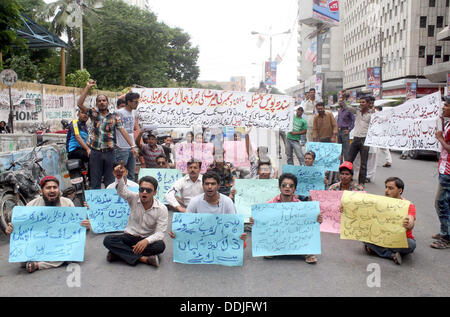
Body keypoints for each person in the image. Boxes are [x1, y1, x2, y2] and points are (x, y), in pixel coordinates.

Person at [5, 176, 77, 273]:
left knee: (75, 251)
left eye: (55, 187)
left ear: (58, 190)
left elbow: (75, 227)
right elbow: (21, 231)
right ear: (41, 191)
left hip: (59, 241)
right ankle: (53, 259)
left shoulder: (67, 203)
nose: (52, 190)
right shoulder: (31, 206)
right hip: (40, 244)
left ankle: (38, 265)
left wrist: (84, 224)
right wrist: (10, 231)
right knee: (22, 259)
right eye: (48, 188)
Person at [103, 164, 168, 267]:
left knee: (160, 246)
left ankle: (119, 253)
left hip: (147, 239)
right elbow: (121, 191)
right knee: (108, 240)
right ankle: (144, 259)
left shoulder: (162, 209)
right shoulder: (133, 197)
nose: (144, 192)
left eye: (148, 190)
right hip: (130, 237)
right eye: (141, 189)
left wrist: (146, 241)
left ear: (154, 192)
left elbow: (160, 233)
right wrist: (119, 177)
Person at [77, 80, 138, 189]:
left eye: (104, 100)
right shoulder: (93, 114)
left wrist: (132, 146)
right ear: (96, 104)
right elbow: (79, 104)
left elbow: (123, 131)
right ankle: (95, 205)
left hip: (110, 153)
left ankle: (109, 204)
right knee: (95, 181)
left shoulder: (114, 116)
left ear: (108, 102)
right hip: (96, 153)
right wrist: (87, 87)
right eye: (99, 101)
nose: (102, 102)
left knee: (110, 182)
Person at [251, 173, 322, 264]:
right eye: (284, 185)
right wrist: (255, 221)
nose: (287, 187)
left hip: (294, 236)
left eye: (291, 185)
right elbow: (262, 222)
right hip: (278, 236)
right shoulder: (270, 205)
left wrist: (317, 220)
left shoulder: (302, 206)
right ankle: (271, 249)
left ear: (294, 189)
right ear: (280, 187)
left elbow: (311, 224)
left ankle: (306, 252)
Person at [168, 171, 247, 243]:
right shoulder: (194, 201)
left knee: (242, 243)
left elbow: (233, 225)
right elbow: (187, 224)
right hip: (201, 239)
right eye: (207, 184)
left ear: (218, 186)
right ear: (202, 185)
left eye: (213, 184)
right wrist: (177, 233)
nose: (209, 187)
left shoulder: (227, 202)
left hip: (221, 238)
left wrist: (240, 234)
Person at [363, 177, 416, 265]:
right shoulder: (380, 202)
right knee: (362, 234)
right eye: (386, 187)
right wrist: (346, 208)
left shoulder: (408, 205)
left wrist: (409, 224)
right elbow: (362, 212)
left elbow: (411, 220)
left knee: (411, 245)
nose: (386, 190)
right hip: (382, 236)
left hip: (399, 239)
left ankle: (376, 249)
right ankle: (391, 254)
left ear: (400, 191)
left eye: (391, 188)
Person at [430, 97, 450, 249]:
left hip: (448, 172)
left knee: (441, 203)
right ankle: (445, 231)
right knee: (443, 203)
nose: (443, 107)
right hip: (444, 169)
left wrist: (439, 139)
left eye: (447, 105)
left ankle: (446, 237)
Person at [347, 96, 374, 186]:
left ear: (367, 103)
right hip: (355, 139)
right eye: (360, 102)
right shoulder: (357, 111)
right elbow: (346, 107)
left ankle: (361, 182)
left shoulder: (372, 114)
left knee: (363, 163)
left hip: (365, 140)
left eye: (363, 102)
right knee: (349, 160)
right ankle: (347, 178)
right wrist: (342, 98)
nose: (361, 104)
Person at [115, 92, 140, 181]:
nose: (137, 104)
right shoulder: (119, 112)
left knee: (131, 174)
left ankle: (130, 193)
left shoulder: (134, 113)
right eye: (135, 102)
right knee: (121, 173)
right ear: (128, 102)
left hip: (132, 147)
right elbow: (119, 128)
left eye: (138, 102)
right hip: (122, 147)